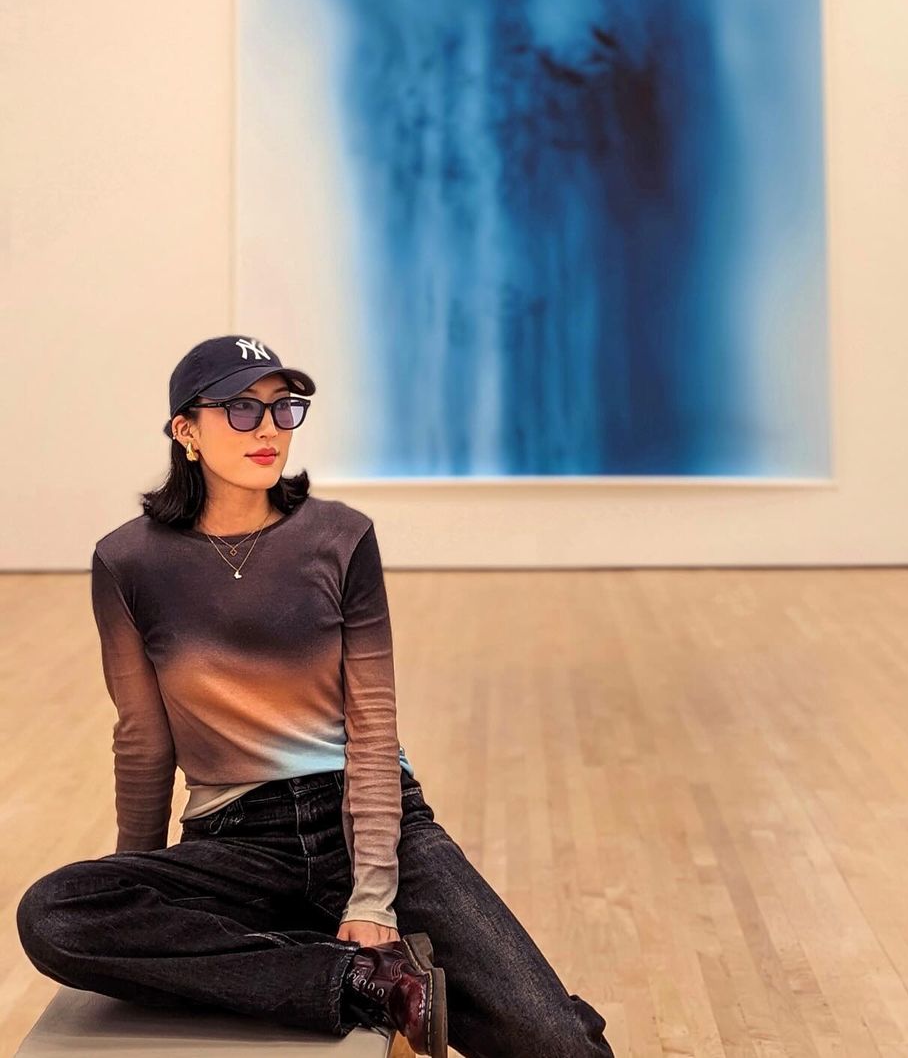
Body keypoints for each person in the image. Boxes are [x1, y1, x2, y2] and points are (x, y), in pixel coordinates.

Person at [16, 335, 615, 1057]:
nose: (269, 428)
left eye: (283, 408)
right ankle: (357, 979)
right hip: (236, 837)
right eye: (242, 409)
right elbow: (143, 740)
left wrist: (372, 896)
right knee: (54, 914)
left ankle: (347, 964)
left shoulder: (341, 537)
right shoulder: (126, 561)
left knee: (559, 1046)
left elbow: (372, 725)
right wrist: (135, 890)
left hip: (369, 823)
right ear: (185, 431)